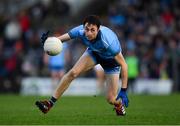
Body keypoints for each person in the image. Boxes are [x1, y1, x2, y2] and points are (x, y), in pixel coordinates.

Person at [35, 15, 129, 116]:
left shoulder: (109, 42)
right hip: (94, 53)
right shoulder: (80, 30)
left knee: (111, 99)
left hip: (111, 62)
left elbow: (124, 64)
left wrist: (123, 90)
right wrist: (48, 41)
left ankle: (119, 105)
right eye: (87, 29)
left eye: (92, 30)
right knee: (73, 72)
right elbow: (59, 40)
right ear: (83, 27)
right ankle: (49, 103)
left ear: (98, 29)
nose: (89, 33)